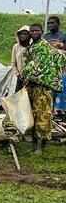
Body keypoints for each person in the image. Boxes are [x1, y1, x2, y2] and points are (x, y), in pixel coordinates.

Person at [23, 23, 66, 154]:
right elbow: (30, 64)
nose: (34, 33)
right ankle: (34, 144)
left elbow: (58, 58)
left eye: (36, 30)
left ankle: (42, 147)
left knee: (44, 115)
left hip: (44, 87)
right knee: (33, 115)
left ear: (42, 32)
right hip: (32, 87)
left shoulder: (44, 47)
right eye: (32, 31)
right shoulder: (33, 47)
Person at [11, 26, 31, 93]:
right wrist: (18, 75)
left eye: (25, 34)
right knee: (18, 98)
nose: (22, 36)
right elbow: (13, 63)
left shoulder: (33, 47)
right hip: (20, 79)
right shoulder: (16, 47)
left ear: (29, 35)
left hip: (31, 79)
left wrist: (29, 78)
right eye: (21, 34)